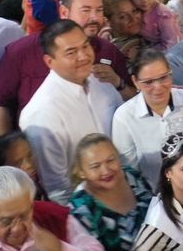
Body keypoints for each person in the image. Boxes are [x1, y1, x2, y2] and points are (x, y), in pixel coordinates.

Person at [20, 20, 124, 204]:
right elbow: (58, 189)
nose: (83, 56)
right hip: (87, 211)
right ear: (49, 61)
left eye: (85, 46)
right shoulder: (41, 114)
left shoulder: (101, 81)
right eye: (71, 52)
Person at [110, 48, 183, 183]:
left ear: (171, 75)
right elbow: (130, 170)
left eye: (163, 78)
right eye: (149, 82)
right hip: (154, 196)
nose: (158, 86)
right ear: (135, 81)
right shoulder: (124, 117)